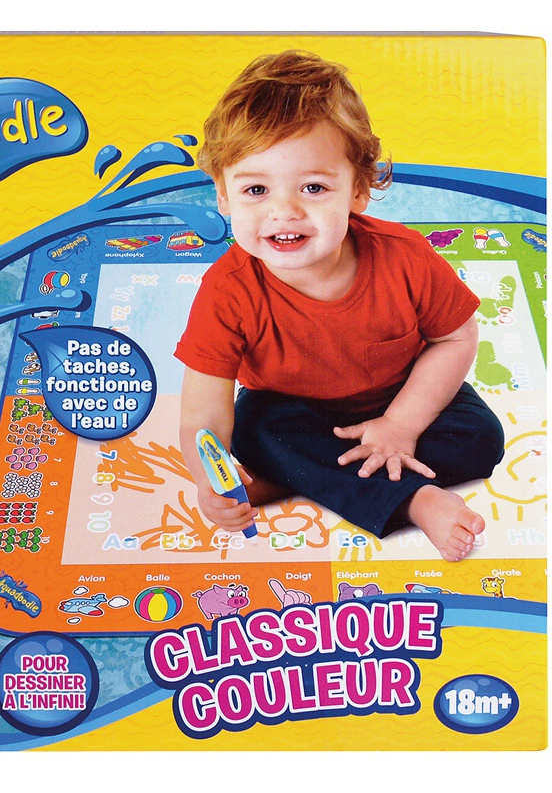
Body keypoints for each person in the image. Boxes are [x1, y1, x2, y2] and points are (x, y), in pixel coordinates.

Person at [175, 50, 504, 562]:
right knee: (254, 429)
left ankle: (301, 477)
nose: (284, 210)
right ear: (223, 197)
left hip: (402, 394)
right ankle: (413, 499)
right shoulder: (227, 290)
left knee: (481, 439)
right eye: (256, 189)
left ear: (359, 190)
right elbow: (203, 410)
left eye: (313, 187)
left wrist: (402, 424)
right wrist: (207, 479)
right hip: (294, 413)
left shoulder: (405, 257)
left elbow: (455, 338)